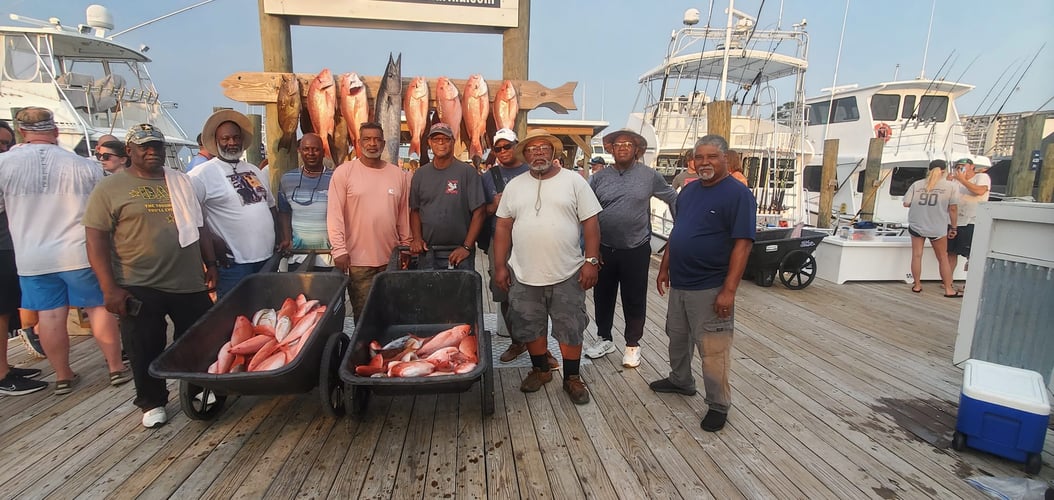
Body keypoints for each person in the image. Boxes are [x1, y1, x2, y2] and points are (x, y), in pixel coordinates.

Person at [84, 124, 217, 428]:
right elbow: (96, 240)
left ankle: (200, 389)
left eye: (156, 146)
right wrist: (109, 288)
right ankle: (152, 401)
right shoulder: (109, 188)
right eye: (144, 146)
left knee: (200, 340)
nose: (152, 151)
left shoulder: (181, 181)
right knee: (144, 345)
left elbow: (200, 226)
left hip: (188, 281)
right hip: (139, 283)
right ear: (128, 151)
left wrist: (211, 263)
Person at [0, 107, 129, 395]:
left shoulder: (4, 164)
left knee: (49, 315)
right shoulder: (83, 165)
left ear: (21, 132)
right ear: (56, 131)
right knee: (98, 307)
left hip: (31, 254)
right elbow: (103, 207)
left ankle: (62, 375)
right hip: (78, 250)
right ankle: (115, 367)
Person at [651, 134, 756, 432]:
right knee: (677, 336)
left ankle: (718, 404)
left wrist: (729, 291)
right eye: (700, 157)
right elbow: (678, 230)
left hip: (711, 286)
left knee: (713, 349)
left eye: (712, 156)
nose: (705, 162)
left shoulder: (738, 194)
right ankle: (681, 380)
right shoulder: (689, 190)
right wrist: (664, 267)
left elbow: (743, 245)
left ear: (725, 158)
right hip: (681, 282)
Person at [492, 129, 602, 405]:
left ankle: (572, 378)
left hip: (568, 272)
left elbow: (591, 223)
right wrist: (500, 267)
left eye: (544, 148)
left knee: (571, 327)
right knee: (529, 327)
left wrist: (591, 261)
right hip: (524, 272)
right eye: (532, 148)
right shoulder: (515, 186)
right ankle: (541, 370)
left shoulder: (574, 181)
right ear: (525, 154)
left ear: (553, 153)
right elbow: (503, 226)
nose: (538, 152)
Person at [585, 129, 677, 368]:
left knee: (634, 298)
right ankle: (604, 338)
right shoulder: (598, 178)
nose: (623, 147)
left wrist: (682, 227)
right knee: (602, 296)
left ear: (637, 150)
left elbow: (673, 197)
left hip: (636, 248)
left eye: (628, 144)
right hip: (603, 248)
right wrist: (589, 250)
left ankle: (632, 345)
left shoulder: (650, 176)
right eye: (617, 144)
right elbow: (585, 211)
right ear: (610, 149)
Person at [482, 129, 558, 368]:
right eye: (498, 148)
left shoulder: (533, 169)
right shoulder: (489, 176)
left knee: (538, 294)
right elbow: (483, 211)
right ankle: (517, 341)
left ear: (517, 146)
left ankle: (542, 349)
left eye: (507, 146)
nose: (503, 151)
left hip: (531, 239)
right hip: (501, 238)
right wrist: (494, 204)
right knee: (503, 290)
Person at [188, 109, 277, 297]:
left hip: (266, 260)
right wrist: (211, 244)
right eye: (225, 138)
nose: (232, 143)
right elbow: (188, 215)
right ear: (216, 140)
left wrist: (278, 237)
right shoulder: (201, 174)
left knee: (264, 311)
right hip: (233, 264)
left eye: (236, 138)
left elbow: (270, 205)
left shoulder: (254, 170)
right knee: (234, 317)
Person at [327, 122, 412, 318]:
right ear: (359, 142)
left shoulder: (398, 174)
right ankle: (363, 350)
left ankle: (386, 350)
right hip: (358, 262)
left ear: (383, 143)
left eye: (377, 139)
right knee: (364, 316)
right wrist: (339, 249)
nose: (372, 143)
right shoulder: (343, 172)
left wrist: (405, 245)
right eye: (367, 139)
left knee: (392, 314)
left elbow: (403, 215)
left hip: (391, 259)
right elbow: (334, 214)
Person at [0, 119, 47, 396]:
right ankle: (2, 375)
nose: (4, 149)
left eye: (7, 143)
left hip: (8, 246)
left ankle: (4, 365)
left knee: (5, 311)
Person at [410, 123, 485, 270]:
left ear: (453, 141)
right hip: (428, 251)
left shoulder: (467, 172)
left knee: (460, 293)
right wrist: (417, 238)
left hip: (460, 252)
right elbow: (415, 211)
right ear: (429, 143)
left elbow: (480, 212)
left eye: (445, 139)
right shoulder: (420, 174)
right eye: (436, 139)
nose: (441, 143)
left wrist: (467, 247)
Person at [903, 159, 960, 297]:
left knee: (917, 255)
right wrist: (954, 227)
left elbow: (906, 203)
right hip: (937, 226)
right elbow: (953, 209)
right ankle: (948, 289)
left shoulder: (917, 184)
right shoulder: (951, 186)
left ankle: (917, 285)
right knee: (943, 257)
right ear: (944, 171)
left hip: (917, 224)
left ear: (929, 170)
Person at [277, 133, 333, 271]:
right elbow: (284, 212)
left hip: (329, 256)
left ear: (323, 151)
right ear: (299, 150)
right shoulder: (287, 179)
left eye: (316, 149)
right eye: (306, 149)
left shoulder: (336, 178)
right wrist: (286, 238)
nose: (311, 153)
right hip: (297, 254)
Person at [946, 158, 990, 277]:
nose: (960, 169)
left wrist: (962, 180)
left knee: (971, 254)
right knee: (950, 252)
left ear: (971, 166)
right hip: (954, 221)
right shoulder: (955, 181)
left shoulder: (981, 177)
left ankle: (969, 283)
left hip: (971, 221)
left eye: (963, 166)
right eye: (958, 166)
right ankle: (948, 281)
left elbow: (979, 191)